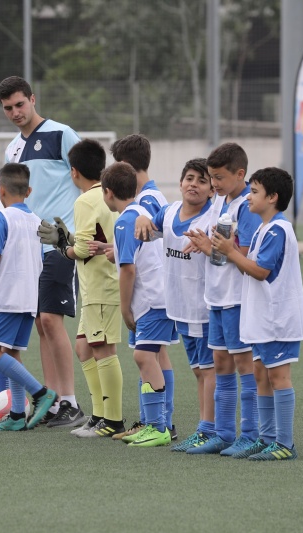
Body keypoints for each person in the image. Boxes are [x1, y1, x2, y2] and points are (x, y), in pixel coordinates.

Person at [0, 75, 82, 423]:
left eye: (20, 104)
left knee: (51, 319)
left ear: (33, 99)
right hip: (30, 247)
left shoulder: (62, 134)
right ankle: (52, 400)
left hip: (62, 243)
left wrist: (76, 235)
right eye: (8, 108)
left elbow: (87, 180)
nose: (16, 112)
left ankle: (70, 401)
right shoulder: (12, 149)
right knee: (41, 324)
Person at [210, 167, 303, 460]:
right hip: (263, 319)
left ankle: (285, 444)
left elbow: (261, 272)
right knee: (262, 376)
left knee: (278, 377)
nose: (249, 197)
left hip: (278, 320)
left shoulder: (278, 229)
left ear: (273, 197)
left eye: (254, 192)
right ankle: (267, 438)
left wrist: (231, 251)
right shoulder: (265, 227)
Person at [0, 163, 58, 431]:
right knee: (12, 354)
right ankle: (17, 414)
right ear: (28, 191)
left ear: (0, 191)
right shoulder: (38, 220)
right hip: (28, 299)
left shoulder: (0, 218)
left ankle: (40, 394)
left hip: (4, 297)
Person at [184, 142, 263, 456]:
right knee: (220, 363)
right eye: (210, 177)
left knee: (245, 365)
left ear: (240, 173)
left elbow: (243, 253)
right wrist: (201, 242)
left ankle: (251, 434)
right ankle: (220, 432)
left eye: (218, 177)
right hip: (215, 296)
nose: (213, 183)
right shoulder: (220, 201)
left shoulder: (246, 205)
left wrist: (210, 249)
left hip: (237, 298)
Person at [134, 158, 217, 451]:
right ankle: (207, 428)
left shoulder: (213, 219)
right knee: (198, 370)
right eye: (189, 178)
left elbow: (225, 259)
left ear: (211, 190)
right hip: (179, 308)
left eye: (202, 181)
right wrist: (142, 219)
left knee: (209, 371)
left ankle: (210, 429)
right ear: (180, 183)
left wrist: (211, 248)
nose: (194, 184)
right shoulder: (168, 212)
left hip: (204, 308)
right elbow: (149, 228)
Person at [39, 139, 116, 432]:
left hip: (101, 286)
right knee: (85, 348)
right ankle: (99, 415)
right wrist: (69, 239)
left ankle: (110, 418)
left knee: (103, 351)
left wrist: (62, 245)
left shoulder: (84, 200)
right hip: (98, 286)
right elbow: (91, 241)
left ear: (73, 172)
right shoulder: (106, 196)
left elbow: (82, 250)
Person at [95, 162, 171, 445]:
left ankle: (159, 426)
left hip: (151, 300)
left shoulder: (127, 219)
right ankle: (155, 423)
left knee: (144, 356)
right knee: (148, 357)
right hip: (155, 298)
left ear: (107, 192)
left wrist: (125, 309)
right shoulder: (137, 213)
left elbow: (128, 270)